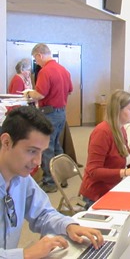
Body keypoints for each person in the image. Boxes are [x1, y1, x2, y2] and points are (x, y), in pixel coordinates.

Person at [0, 106, 103, 258]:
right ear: (6, 142)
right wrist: (25, 254)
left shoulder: (22, 178)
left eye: (42, 152)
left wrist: (68, 225)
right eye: (32, 151)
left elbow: (43, 213)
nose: (38, 162)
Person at [80, 90, 130, 206]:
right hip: (99, 193)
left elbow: (118, 163)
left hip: (115, 186)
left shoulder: (121, 129)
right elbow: (94, 171)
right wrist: (125, 172)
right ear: (118, 110)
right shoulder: (102, 132)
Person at [25, 43, 73, 193]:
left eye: (35, 59)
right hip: (61, 112)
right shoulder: (63, 70)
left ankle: (50, 182)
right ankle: (62, 178)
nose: (36, 62)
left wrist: (28, 94)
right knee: (57, 146)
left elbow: (40, 94)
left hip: (49, 113)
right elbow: (70, 90)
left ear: (39, 55)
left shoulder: (45, 71)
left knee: (46, 147)